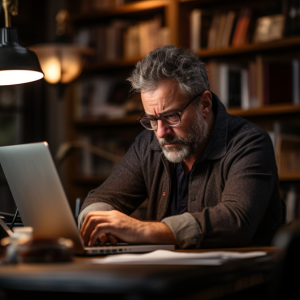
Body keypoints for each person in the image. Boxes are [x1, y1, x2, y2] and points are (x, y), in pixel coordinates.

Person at [79, 45, 283, 249]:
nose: (160, 132)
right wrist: (97, 224)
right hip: (170, 277)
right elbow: (102, 198)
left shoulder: (250, 142)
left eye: (171, 116)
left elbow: (236, 221)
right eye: (152, 119)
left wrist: (140, 229)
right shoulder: (147, 144)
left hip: (240, 278)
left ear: (204, 104)